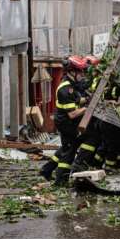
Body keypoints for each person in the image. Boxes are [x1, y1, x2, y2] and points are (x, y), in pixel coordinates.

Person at [39, 56, 87, 185]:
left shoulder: (72, 84)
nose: (82, 75)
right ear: (72, 72)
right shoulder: (65, 88)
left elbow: (76, 99)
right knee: (69, 151)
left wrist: (86, 100)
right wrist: (87, 108)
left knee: (67, 146)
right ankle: (60, 180)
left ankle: (46, 170)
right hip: (66, 122)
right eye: (80, 72)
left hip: (67, 121)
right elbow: (72, 114)